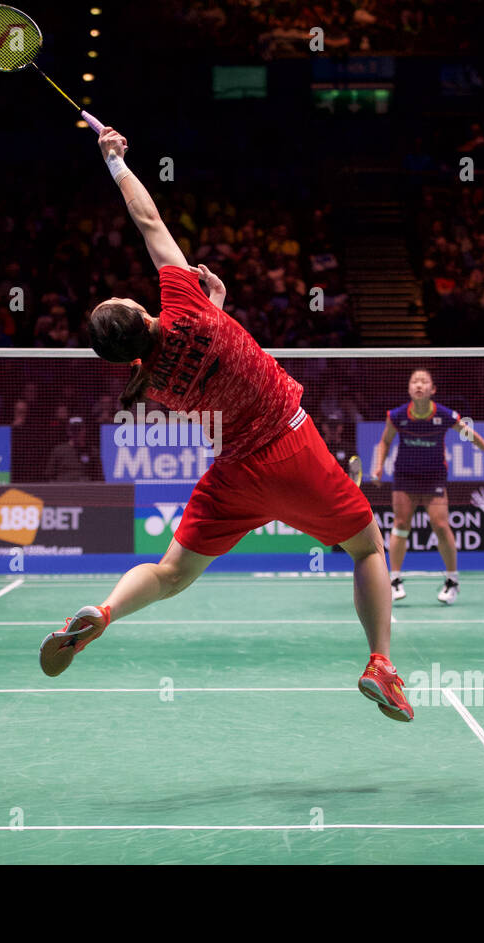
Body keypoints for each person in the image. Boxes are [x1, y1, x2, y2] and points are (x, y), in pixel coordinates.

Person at [37, 125, 413, 723]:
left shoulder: (150, 382)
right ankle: (381, 663)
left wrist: (215, 307)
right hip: (291, 445)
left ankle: (103, 613)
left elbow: (199, 352)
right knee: (367, 545)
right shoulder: (187, 305)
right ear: (141, 312)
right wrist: (114, 160)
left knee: (169, 573)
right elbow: (150, 222)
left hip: (235, 473)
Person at [370, 369, 484, 604]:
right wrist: (379, 466)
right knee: (400, 524)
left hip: (434, 476)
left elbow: (470, 434)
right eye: (414, 381)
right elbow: (385, 441)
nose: (419, 385)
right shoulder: (396, 416)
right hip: (405, 476)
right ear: (409, 389)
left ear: (432, 390)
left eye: (424, 381)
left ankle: (452, 581)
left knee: (439, 524)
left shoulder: (445, 415)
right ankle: (394, 580)